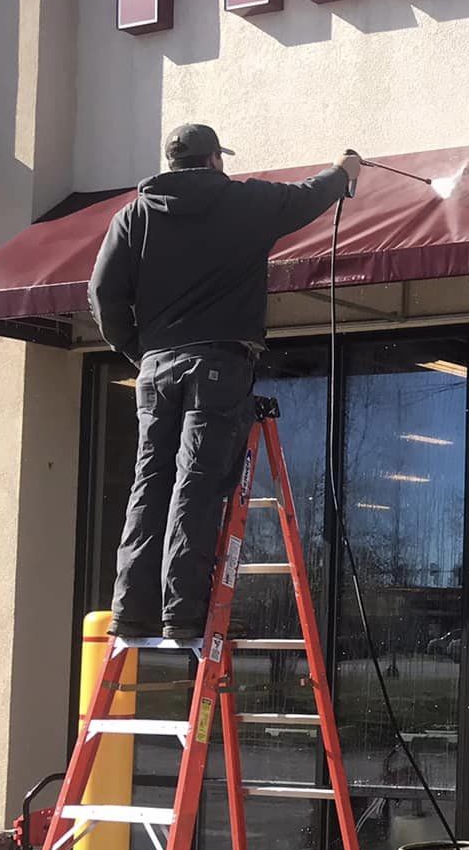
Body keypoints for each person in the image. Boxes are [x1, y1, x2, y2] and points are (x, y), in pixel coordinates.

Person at [90, 124, 361, 642]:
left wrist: (139, 351)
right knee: (196, 482)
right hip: (219, 363)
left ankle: (132, 609)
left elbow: (102, 293)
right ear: (214, 159)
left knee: (150, 483)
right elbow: (307, 199)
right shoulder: (243, 203)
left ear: (172, 163)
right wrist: (343, 172)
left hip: (158, 366)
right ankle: (183, 612)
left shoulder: (133, 216)